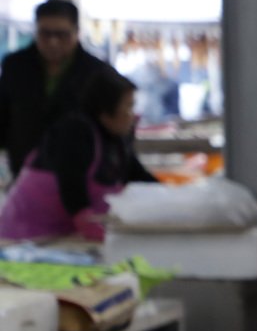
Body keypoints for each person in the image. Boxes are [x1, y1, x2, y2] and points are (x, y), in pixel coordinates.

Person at [0, 67, 156, 241]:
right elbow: (72, 188)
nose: (133, 115)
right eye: (128, 107)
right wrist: (94, 229)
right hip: (26, 234)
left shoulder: (116, 138)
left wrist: (173, 197)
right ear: (105, 113)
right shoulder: (75, 132)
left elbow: (137, 174)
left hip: (64, 234)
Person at [0, 0, 110, 177]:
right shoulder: (15, 65)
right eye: (45, 33)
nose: (53, 42)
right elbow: (3, 115)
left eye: (62, 34)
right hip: (26, 171)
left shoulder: (96, 72)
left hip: (79, 175)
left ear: (77, 32)